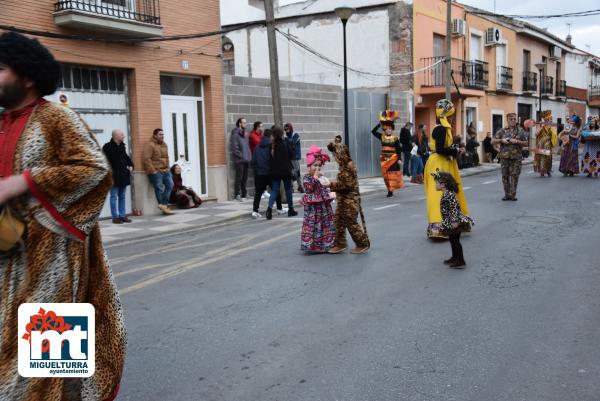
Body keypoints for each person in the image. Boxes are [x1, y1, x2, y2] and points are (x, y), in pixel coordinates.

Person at [0, 31, 125, 401]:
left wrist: (22, 183)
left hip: (52, 258)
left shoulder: (56, 118)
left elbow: (95, 170)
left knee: (47, 356)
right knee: (11, 346)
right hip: (7, 258)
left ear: (26, 76)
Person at [423, 99, 470, 239]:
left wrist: (455, 150)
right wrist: (455, 152)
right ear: (448, 115)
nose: (452, 118)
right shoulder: (441, 129)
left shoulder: (444, 128)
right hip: (438, 164)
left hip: (443, 163)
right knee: (438, 195)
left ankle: (453, 224)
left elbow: (444, 148)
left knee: (449, 194)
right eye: (451, 115)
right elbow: (441, 149)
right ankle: (439, 227)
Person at [327, 140, 370, 254]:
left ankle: (362, 243)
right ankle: (340, 244)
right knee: (338, 221)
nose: (335, 157)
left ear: (341, 154)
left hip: (350, 201)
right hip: (342, 200)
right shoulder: (343, 166)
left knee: (351, 222)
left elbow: (345, 185)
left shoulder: (348, 167)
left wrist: (329, 184)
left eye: (336, 154)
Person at [432, 171, 473, 269]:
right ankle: (455, 257)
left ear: (443, 184)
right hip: (449, 220)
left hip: (453, 221)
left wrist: (454, 221)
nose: (435, 185)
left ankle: (460, 260)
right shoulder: (446, 193)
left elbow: (454, 207)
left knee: (455, 241)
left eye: (436, 183)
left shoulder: (449, 194)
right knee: (452, 239)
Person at [300, 145, 335, 253]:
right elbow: (309, 188)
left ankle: (327, 244)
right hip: (312, 208)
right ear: (309, 166)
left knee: (325, 224)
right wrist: (315, 177)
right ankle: (313, 245)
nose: (317, 168)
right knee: (313, 225)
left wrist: (330, 192)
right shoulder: (306, 177)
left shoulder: (321, 177)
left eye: (319, 166)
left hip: (323, 206)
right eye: (315, 165)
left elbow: (325, 187)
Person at [492, 113, 529, 201]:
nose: (513, 121)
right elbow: (492, 141)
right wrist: (502, 140)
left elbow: (526, 143)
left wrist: (517, 141)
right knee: (505, 176)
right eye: (511, 119)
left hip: (516, 157)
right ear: (507, 120)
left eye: (514, 119)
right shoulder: (502, 130)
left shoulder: (520, 131)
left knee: (514, 176)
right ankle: (506, 194)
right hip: (504, 157)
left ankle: (512, 194)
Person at [103, 129, 134, 224]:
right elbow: (104, 161)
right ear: (115, 136)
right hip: (113, 175)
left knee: (122, 196)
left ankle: (122, 215)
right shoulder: (107, 147)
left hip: (123, 175)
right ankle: (115, 217)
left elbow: (126, 157)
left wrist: (131, 165)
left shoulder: (122, 146)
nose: (124, 136)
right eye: (122, 135)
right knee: (113, 196)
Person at [266, 126, 298, 220]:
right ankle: (291, 209)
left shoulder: (271, 146)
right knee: (288, 189)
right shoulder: (286, 143)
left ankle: (269, 209)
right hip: (285, 171)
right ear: (281, 134)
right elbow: (292, 155)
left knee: (275, 190)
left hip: (274, 171)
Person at [251, 129, 283, 218]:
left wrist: (257, 169)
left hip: (260, 173)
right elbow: (273, 159)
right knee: (276, 190)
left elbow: (253, 160)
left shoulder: (257, 146)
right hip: (270, 173)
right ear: (270, 136)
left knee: (258, 193)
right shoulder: (271, 146)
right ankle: (279, 208)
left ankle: (255, 211)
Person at [371, 111, 404, 196]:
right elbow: (373, 131)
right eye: (386, 129)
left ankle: (391, 191)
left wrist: (399, 159)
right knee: (385, 176)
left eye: (390, 129)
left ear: (392, 129)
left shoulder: (395, 138)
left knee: (391, 175)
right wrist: (379, 124)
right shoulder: (382, 137)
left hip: (393, 159)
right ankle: (389, 189)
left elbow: (398, 149)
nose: (388, 130)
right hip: (384, 160)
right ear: (384, 130)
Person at [143, 128, 174, 215]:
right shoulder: (150, 145)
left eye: (163, 134)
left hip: (165, 170)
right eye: (160, 134)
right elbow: (146, 159)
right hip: (156, 171)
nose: (162, 136)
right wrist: (153, 171)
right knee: (159, 188)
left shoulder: (164, 144)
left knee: (170, 185)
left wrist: (168, 167)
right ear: (155, 135)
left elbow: (167, 157)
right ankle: (165, 207)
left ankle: (163, 205)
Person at [231, 117, 252, 200]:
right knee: (239, 178)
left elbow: (247, 147)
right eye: (244, 123)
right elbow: (234, 148)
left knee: (245, 178)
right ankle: (237, 194)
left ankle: (244, 193)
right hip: (240, 160)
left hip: (247, 159)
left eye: (245, 123)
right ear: (239, 124)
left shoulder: (245, 134)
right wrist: (242, 156)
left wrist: (249, 156)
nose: (245, 124)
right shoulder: (235, 134)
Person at [533, 110, 557, 177]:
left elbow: (554, 135)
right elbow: (536, 134)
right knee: (542, 157)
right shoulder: (541, 126)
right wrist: (542, 127)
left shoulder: (552, 127)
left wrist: (550, 129)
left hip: (548, 144)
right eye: (549, 119)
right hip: (541, 144)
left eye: (551, 119)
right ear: (545, 119)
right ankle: (542, 171)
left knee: (548, 158)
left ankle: (548, 170)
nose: (550, 120)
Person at [284, 122, 304, 193]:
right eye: (285, 130)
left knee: (297, 172)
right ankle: (291, 187)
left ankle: (300, 186)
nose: (287, 131)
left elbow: (293, 142)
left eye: (288, 129)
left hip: (295, 156)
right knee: (291, 172)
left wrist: (286, 140)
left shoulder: (295, 135)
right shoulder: (286, 137)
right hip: (289, 157)